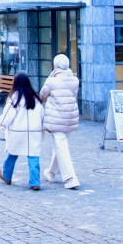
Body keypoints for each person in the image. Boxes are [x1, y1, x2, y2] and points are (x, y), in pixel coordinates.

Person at [0, 72, 44, 190]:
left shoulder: (14, 99)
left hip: (17, 132)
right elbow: (42, 116)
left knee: (12, 153)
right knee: (33, 156)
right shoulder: (36, 99)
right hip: (34, 132)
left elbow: (6, 117)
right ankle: (35, 181)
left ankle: (6, 175)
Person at [40, 53, 81, 189]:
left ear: (55, 65)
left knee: (61, 147)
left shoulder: (51, 81)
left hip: (56, 118)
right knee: (60, 145)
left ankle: (71, 178)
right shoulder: (75, 80)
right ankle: (51, 172)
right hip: (70, 117)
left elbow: (42, 95)